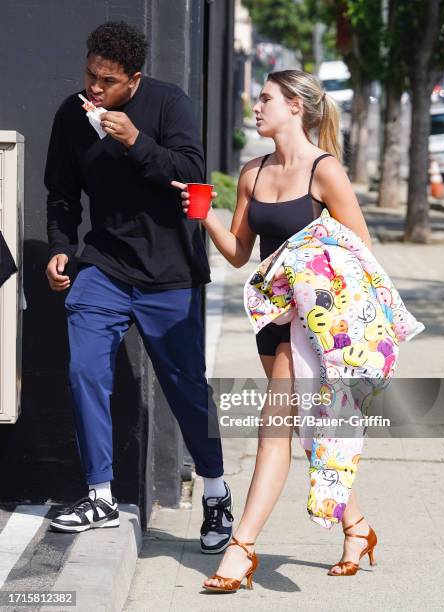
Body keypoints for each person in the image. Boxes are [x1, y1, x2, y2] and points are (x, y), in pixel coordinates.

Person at [173, 69, 377, 590]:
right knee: (310, 429)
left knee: (274, 426)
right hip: (270, 318)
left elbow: (361, 250)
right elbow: (241, 254)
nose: (257, 107)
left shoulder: (324, 172)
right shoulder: (253, 173)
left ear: (296, 108)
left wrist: (315, 280)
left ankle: (241, 550)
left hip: (313, 323)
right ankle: (356, 527)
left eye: (265, 99)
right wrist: (205, 216)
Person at [45, 21, 233, 553]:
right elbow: (61, 194)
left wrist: (136, 143)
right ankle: (100, 494)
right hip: (104, 264)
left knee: (185, 387)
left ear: (134, 79)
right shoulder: (71, 114)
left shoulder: (170, 105)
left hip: (169, 271)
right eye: (89, 75)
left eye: (107, 80)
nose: (95, 89)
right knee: (84, 369)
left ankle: (216, 491)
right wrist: (62, 245)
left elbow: (193, 172)